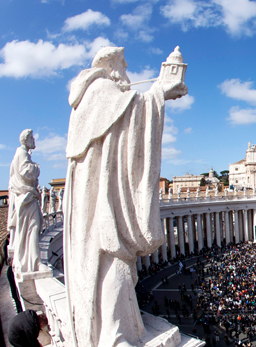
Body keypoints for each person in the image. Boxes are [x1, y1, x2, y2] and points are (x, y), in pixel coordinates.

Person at [63, 46, 188, 346]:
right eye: (124, 63)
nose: (128, 69)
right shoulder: (101, 90)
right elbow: (131, 118)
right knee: (112, 263)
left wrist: (158, 93)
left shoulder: (89, 99)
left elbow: (124, 120)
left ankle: (118, 330)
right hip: (101, 207)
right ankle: (116, 335)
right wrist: (160, 90)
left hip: (95, 201)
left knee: (112, 266)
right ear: (111, 65)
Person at [7, 129, 46, 274]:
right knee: (33, 228)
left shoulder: (20, 154)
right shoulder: (22, 153)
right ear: (26, 139)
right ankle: (33, 262)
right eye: (32, 138)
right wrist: (37, 167)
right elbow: (26, 171)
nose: (34, 140)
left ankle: (29, 261)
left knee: (29, 229)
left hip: (26, 198)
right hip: (27, 198)